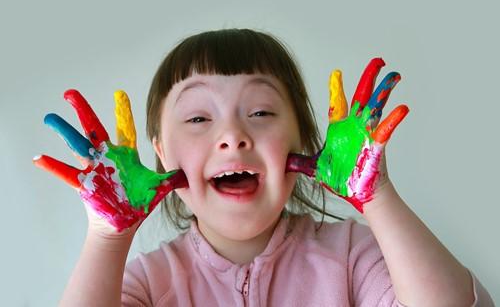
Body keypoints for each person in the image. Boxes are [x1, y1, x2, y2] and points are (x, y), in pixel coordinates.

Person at [35, 29, 493, 306]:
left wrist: (379, 199)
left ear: (303, 144)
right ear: (161, 156)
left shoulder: (352, 255)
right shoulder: (151, 283)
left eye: (260, 113)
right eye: (198, 118)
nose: (233, 135)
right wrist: (107, 240)